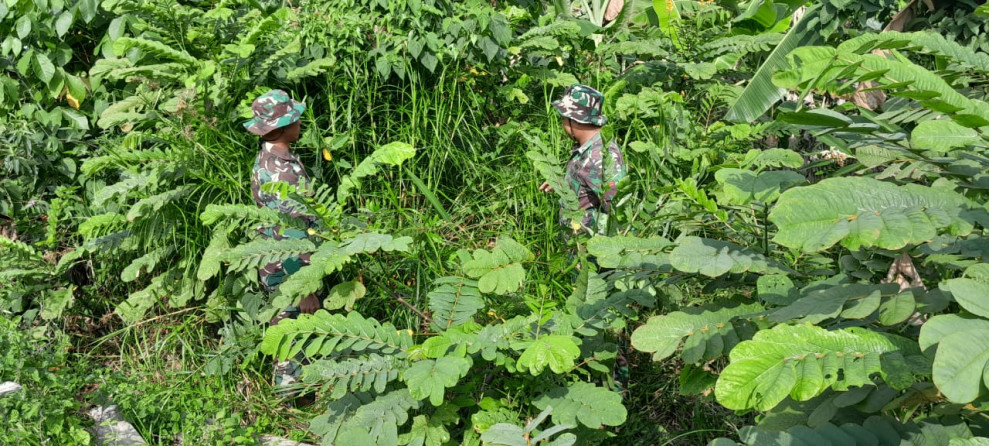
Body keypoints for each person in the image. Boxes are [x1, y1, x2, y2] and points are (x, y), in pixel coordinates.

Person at [243, 89, 321, 390]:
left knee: (292, 330)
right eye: (294, 119)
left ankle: (296, 395)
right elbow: (287, 234)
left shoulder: (274, 158)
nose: (300, 122)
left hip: (283, 265)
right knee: (291, 333)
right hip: (288, 269)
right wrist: (303, 289)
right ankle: (291, 398)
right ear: (282, 128)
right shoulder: (280, 175)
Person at [539, 84, 626, 237]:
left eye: (563, 119)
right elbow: (587, 184)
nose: (563, 124)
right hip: (579, 249)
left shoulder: (599, 156)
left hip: (590, 253)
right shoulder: (590, 147)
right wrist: (564, 184)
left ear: (573, 119)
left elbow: (618, 211)